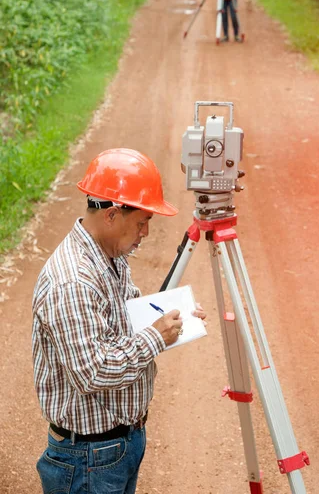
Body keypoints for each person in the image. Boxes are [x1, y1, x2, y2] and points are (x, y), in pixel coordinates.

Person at [32, 148, 206, 494]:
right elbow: (93, 372)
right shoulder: (73, 281)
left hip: (115, 447)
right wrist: (157, 337)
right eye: (141, 222)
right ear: (112, 215)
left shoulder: (109, 253)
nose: (144, 233)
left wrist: (174, 313)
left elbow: (123, 319)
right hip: (88, 458)